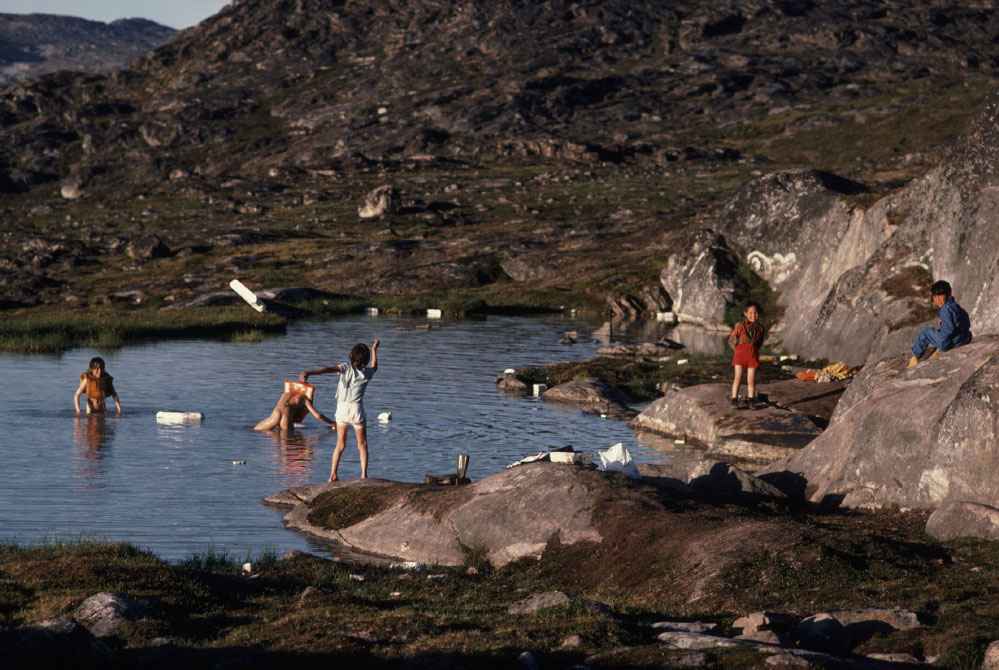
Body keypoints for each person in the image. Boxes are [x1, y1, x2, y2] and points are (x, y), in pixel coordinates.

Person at [301, 339, 379, 481]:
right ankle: (363, 475)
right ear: (365, 361)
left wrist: (310, 373)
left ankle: (333, 474)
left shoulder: (344, 367)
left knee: (340, 444)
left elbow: (326, 370)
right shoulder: (367, 373)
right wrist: (374, 349)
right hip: (357, 410)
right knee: (362, 444)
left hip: (342, 409)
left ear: (350, 356)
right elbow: (375, 367)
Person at [909, 280, 972, 367]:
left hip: (952, 343)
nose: (938, 299)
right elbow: (966, 322)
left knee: (925, 332)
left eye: (940, 295)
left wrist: (941, 349)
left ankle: (914, 357)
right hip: (963, 339)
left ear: (949, 293)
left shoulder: (945, 309)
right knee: (942, 328)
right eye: (935, 296)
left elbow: (948, 332)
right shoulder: (955, 306)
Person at [728, 302, 765, 410]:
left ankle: (750, 399)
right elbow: (731, 340)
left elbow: (759, 343)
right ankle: (734, 399)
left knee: (751, 379)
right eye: (750, 313)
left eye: (756, 313)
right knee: (738, 377)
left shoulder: (760, 328)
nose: (753, 315)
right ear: (745, 313)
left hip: (752, 356)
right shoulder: (739, 325)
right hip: (740, 355)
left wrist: (752, 350)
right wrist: (738, 350)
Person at [254, 385, 335, 431]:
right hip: (287, 415)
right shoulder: (304, 399)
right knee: (286, 444)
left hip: (276, 412)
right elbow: (318, 416)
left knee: (256, 430)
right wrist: (331, 423)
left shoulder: (285, 394)